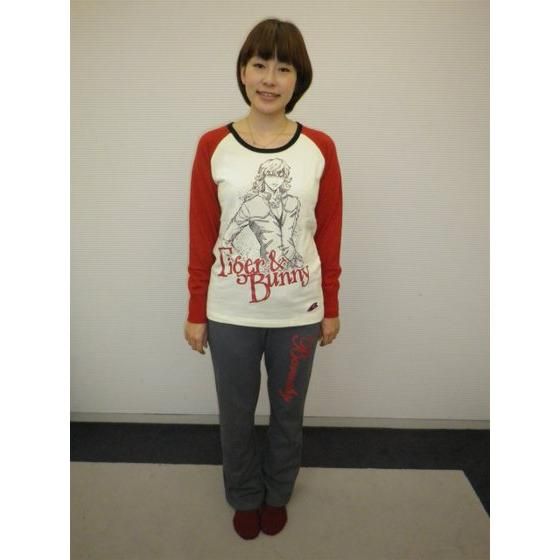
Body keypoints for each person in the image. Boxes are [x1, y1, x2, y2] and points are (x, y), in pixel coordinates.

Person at [183, 18, 343, 540]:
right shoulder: (213, 145)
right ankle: (244, 494)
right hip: (230, 310)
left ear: (299, 79)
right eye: (259, 65)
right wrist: (196, 310)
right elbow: (202, 233)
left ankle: (278, 491)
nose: (270, 79)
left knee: (288, 409)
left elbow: (329, 231)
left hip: (298, 311)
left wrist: (331, 304)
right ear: (242, 72)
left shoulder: (320, 147)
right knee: (235, 413)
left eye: (283, 68)